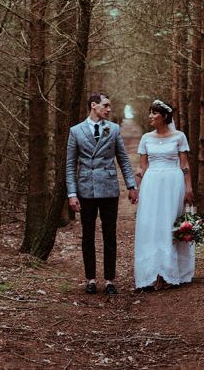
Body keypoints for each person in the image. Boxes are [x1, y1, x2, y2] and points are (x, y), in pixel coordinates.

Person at [66, 92, 138, 295]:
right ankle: (90, 279)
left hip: (109, 189)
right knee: (87, 235)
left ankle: (109, 280)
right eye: (105, 105)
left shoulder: (113, 129)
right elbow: (70, 165)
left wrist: (131, 186)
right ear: (93, 106)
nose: (108, 109)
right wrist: (72, 193)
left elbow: (123, 159)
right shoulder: (76, 131)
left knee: (110, 235)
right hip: (85, 189)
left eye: (109, 106)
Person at [133, 99, 195, 291]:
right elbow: (143, 165)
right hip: (152, 183)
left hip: (172, 182)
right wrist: (137, 185)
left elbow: (184, 164)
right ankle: (151, 272)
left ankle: (170, 272)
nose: (150, 116)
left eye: (154, 113)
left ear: (165, 116)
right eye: (150, 112)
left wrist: (189, 188)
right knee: (150, 224)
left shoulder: (179, 137)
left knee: (169, 223)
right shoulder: (146, 138)